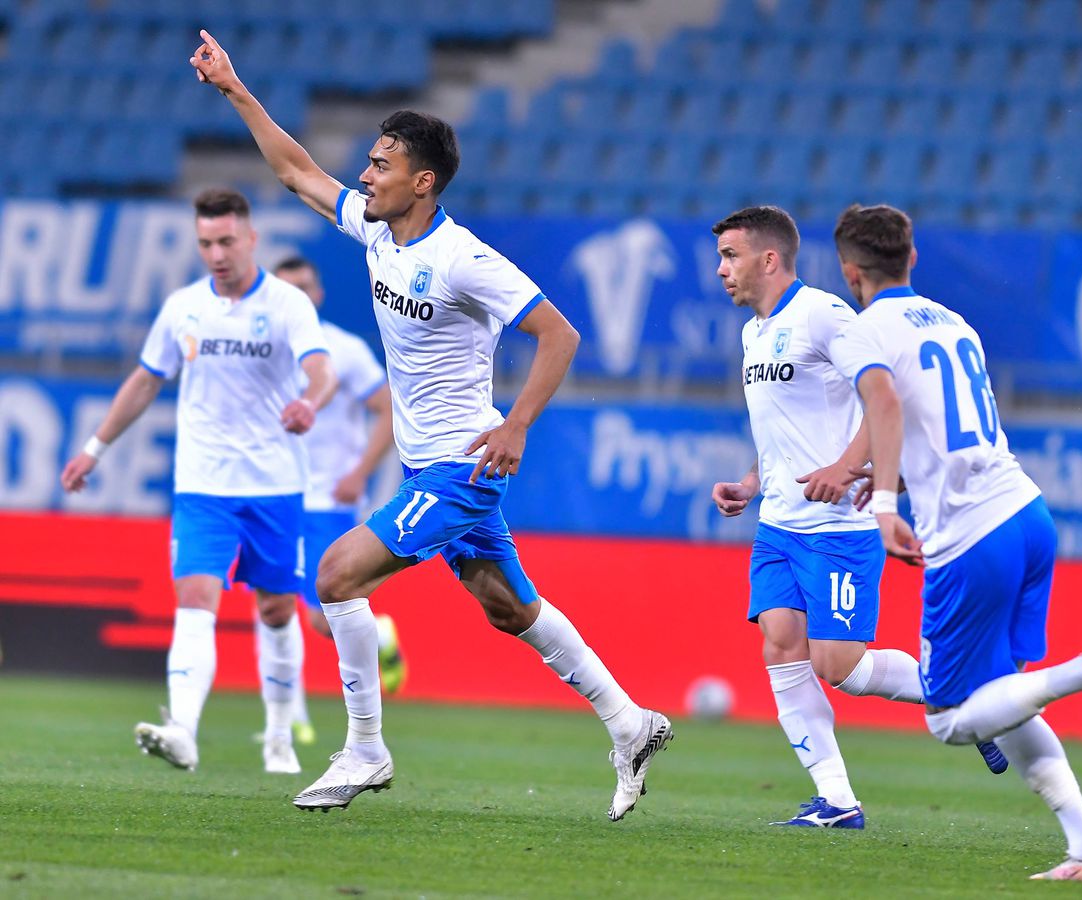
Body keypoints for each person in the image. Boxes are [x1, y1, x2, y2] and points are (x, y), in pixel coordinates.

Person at [190, 30, 672, 820]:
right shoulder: (378, 231)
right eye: (368, 161)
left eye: (379, 165)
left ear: (421, 182)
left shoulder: (464, 260)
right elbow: (294, 171)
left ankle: (365, 750)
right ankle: (630, 722)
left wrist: (516, 426)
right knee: (508, 607)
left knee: (337, 576)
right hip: (428, 468)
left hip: (461, 465)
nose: (364, 174)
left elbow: (559, 334)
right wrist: (235, 89)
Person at [828, 203, 1082, 882]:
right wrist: (878, 470)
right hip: (1026, 513)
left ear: (848, 271)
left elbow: (886, 406)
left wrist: (886, 502)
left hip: (970, 538)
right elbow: (932, 421)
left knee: (950, 719)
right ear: (913, 259)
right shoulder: (956, 323)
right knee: (1004, 698)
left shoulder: (867, 329)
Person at [709, 206, 1006, 830]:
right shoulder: (753, 334)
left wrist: (847, 469)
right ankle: (837, 801)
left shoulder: (823, 314)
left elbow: (882, 398)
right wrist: (751, 482)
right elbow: (787, 432)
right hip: (780, 526)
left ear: (770, 259)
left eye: (731, 256)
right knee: (780, 646)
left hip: (838, 528)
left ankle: (967, 691)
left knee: (837, 665)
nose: (721, 270)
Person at [60, 188, 337, 776]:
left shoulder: (287, 304)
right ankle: (183, 730)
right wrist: (94, 448)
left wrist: (309, 403)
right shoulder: (184, 306)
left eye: (227, 241)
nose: (216, 253)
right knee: (195, 598)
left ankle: (280, 734)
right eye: (206, 243)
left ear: (251, 238)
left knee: (277, 611)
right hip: (203, 485)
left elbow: (321, 370)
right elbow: (144, 381)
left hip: (274, 485)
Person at [267, 257, 407, 748]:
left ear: (319, 293)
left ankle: (379, 637)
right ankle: (286, 718)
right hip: (275, 495)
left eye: (305, 286)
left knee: (319, 613)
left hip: (327, 497)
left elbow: (388, 407)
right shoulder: (266, 349)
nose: (297, 296)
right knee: (279, 605)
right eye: (287, 289)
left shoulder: (343, 351)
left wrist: (360, 472)